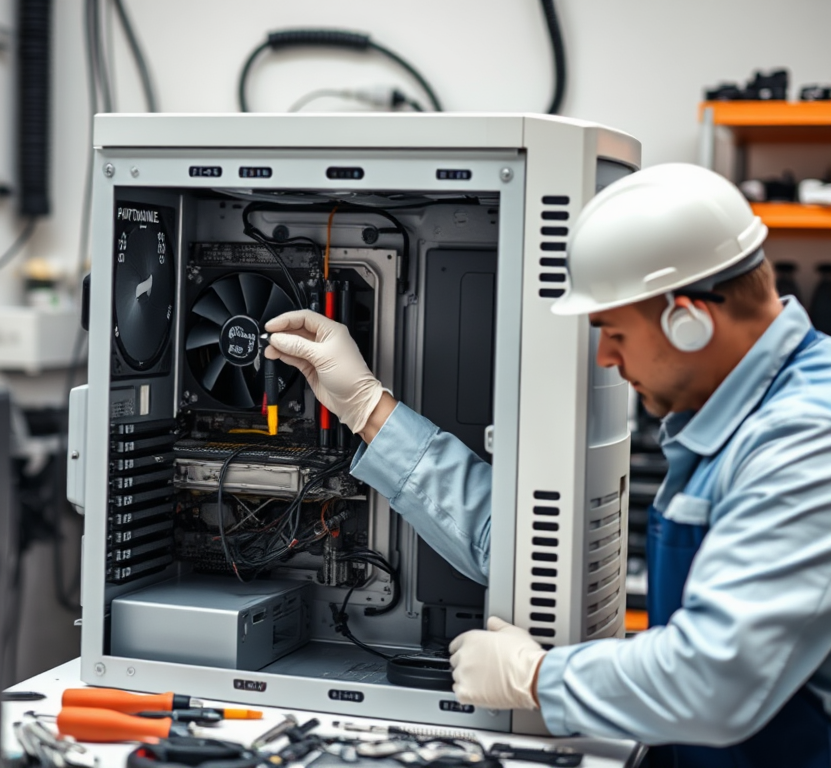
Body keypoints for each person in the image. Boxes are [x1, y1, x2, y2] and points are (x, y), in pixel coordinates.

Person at [263, 163, 831, 767]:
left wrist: (538, 678)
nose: (607, 359)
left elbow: (717, 679)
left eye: (613, 331)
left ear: (687, 321)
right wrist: (365, 406)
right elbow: (523, 545)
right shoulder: (745, 416)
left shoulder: (804, 441)